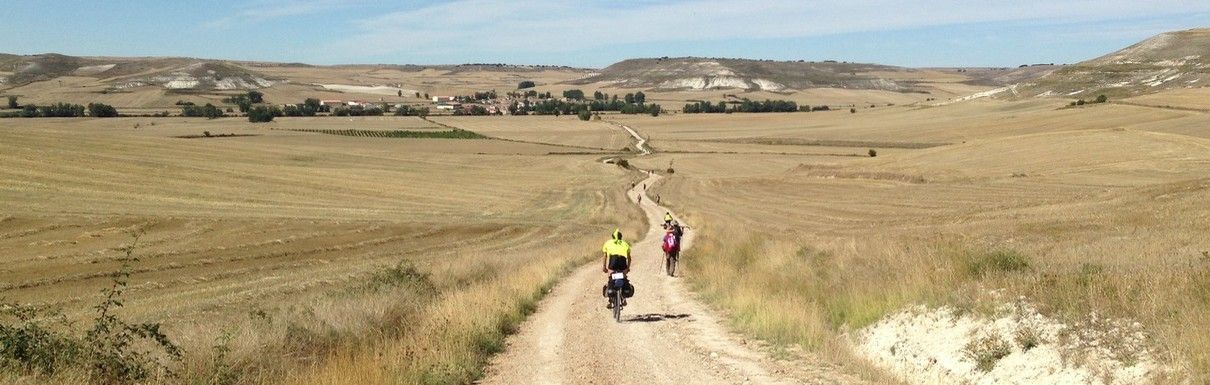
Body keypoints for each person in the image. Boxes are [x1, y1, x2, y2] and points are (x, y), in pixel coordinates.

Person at [601, 229, 632, 308]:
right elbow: (629, 258)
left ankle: (610, 301)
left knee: (611, 278)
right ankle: (624, 297)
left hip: (613, 262)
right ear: (621, 237)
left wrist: (604, 267)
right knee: (623, 278)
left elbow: (605, 256)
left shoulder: (608, 243)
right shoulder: (625, 244)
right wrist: (627, 268)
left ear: (612, 237)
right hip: (622, 262)